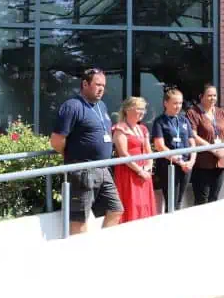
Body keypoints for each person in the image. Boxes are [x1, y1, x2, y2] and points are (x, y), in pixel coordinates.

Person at [50, 68, 123, 233]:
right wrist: (73, 156)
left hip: (103, 169)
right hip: (82, 171)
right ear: (85, 84)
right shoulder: (72, 106)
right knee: (79, 219)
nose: (101, 89)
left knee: (115, 209)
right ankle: (79, 256)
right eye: (97, 84)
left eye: (103, 85)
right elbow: (56, 141)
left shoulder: (101, 106)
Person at [111, 97, 157, 223]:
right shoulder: (120, 129)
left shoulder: (143, 129)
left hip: (144, 172)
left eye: (143, 109)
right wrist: (139, 171)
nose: (142, 112)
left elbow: (149, 151)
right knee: (131, 203)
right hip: (128, 172)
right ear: (127, 110)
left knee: (144, 205)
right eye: (139, 109)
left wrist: (147, 168)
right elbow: (123, 154)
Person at [151, 88, 196, 212]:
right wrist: (179, 161)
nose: (178, 106)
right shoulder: (160, 121)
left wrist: (191, 161)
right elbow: (159, 146)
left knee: (179, 201)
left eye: (180, 103)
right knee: (171, 201)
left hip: (186, 165)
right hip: (169, 165)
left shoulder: (184, 120)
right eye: (175, 103)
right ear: (166, 103)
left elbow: (192, 142)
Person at [186, 83, 224, 205]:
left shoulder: (221, 112)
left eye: (215, 95)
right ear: (201, 96)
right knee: (202, 200)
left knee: (214, 198)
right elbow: (193, 135)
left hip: (220, 161)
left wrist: (223, 149)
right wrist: (213, 149)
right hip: (203, 162)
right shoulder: (193, 113)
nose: (213, 98)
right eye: (209, 95)